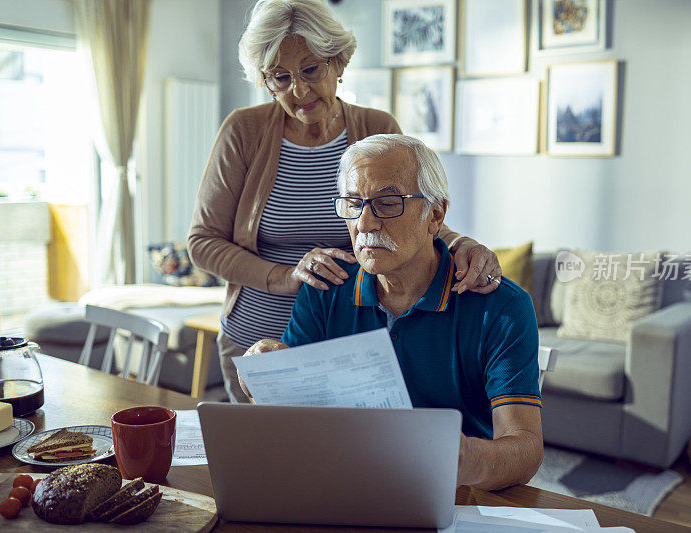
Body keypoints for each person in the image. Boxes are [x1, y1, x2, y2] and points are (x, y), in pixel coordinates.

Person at [187, 0, 502, 403]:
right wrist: (287, 276)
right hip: (257, 340)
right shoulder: (243, 131)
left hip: (347, 345)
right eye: (279, 78)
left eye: (311, 69)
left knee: (344, 461)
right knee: (268, 462)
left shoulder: (376, 128)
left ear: (337, 61)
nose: (298, 90)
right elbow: (202, 241)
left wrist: (461, 243)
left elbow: (410, 211)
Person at [238, 134, 543, 491]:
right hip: (342, 483)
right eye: (353, 203)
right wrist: (267, 374)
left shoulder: (501, 306)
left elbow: (525, 447)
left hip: (457, 495)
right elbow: (293, 419)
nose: (364, 224)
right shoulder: (325, 288)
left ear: (436, 214)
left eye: (387, 203)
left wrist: (465, 460)